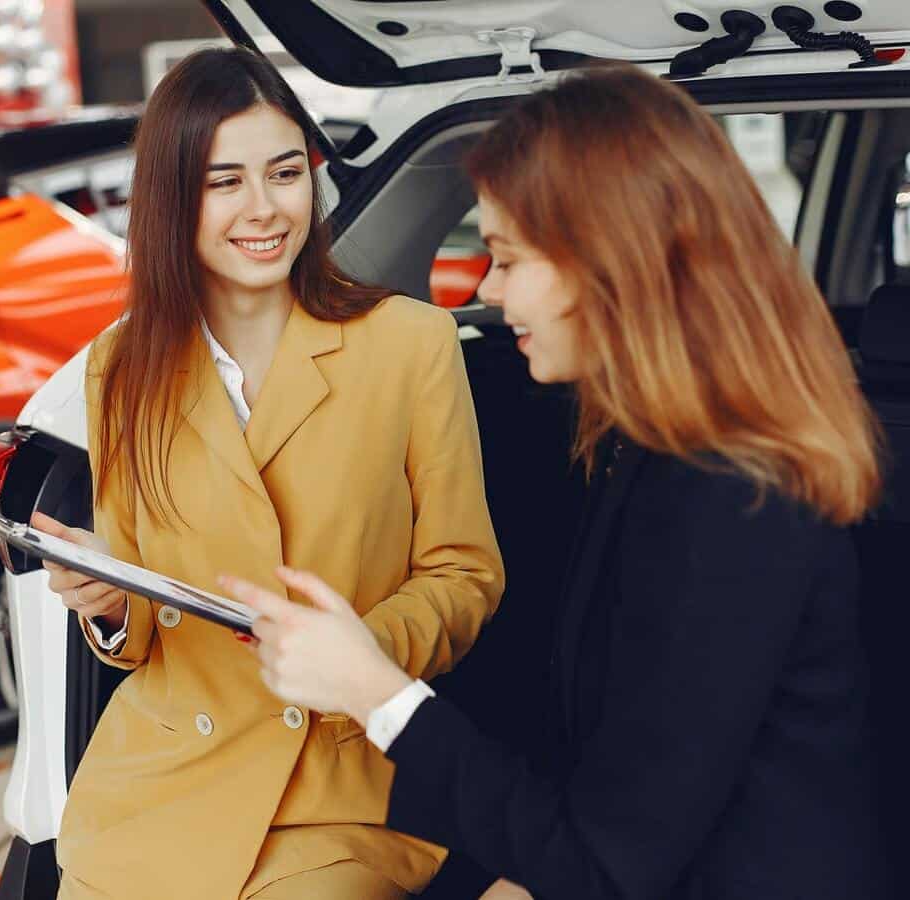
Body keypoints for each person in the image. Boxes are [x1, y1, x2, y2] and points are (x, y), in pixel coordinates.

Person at [221, 63, 889, 900]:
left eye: (505, 258)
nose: (488, 292)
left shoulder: (730, 496)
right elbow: (615, 794)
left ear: (610, 264)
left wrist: (373, 690)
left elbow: (604, 865)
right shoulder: (651, 448)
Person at [31, 48, 504, 899]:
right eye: (223, 182)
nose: (263, 209)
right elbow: (137, 640)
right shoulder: (119, 367)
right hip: (158, 785)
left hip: (339, 791)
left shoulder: (409, 345)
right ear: (173, 200)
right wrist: (106, 603)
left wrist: (362, 656)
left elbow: (464, 574)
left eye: (285, 173)